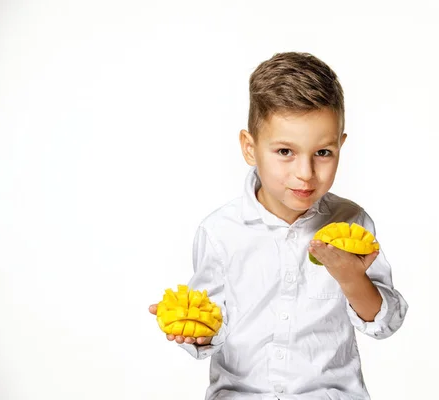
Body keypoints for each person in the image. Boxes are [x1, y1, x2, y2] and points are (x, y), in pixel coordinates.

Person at [148, 51, 408, 399]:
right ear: (250, 148)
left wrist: (351, 277)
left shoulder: (353, 223)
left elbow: (385, 323)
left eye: (323, 153)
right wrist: (196, 329)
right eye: (285, 151)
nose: (305, 173)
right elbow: (213, 327)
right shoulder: (220, 232)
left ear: (341, 146)